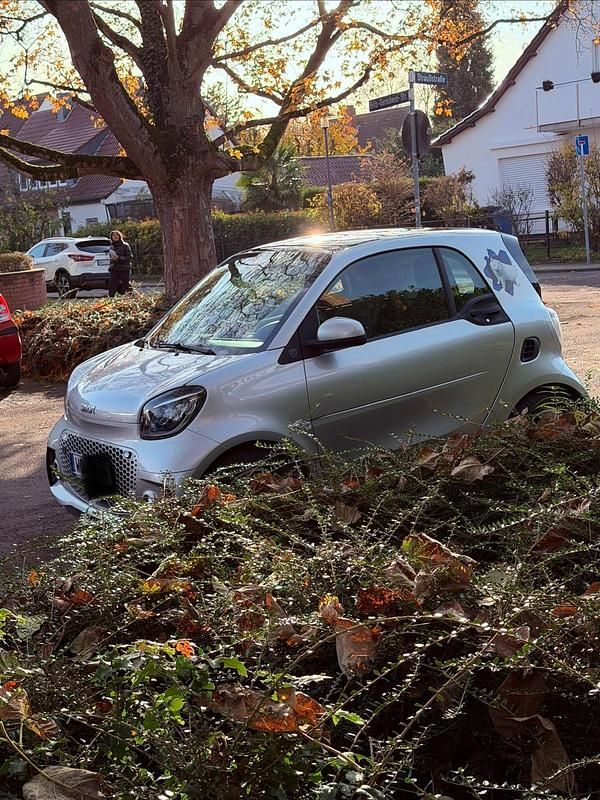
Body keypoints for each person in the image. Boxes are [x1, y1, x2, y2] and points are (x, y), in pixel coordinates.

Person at [108, 230, 133, 297]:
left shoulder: (125, 245)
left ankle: (132, 297)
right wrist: (112, 259)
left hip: (124, 269)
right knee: (112, 286)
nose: (115, 236)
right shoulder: (111, 246)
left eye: (117, 235)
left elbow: (129, 257)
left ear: (119, 236)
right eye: (113, 235)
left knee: (127, 284)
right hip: (114, 269)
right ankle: (111, 300)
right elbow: (110, 257)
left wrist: (119, 258)